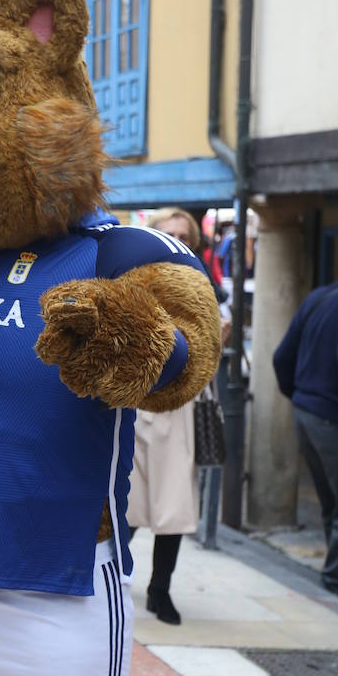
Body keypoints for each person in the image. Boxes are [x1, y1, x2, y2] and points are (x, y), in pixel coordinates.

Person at [126, 208, 208, 625]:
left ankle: (161, 589)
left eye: (184, 234)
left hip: (179, 406)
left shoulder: (202, 287)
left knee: (172, 504)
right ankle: (112, 572)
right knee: (126, 502)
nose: (179, 241)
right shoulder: (134, 280)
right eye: (170, 233)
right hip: (134, 405)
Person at [273, 275, 338, 597]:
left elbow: (281, 356)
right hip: (330, 414)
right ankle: (335, 580)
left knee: (332, 502)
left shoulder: (319, 297)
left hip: (306, 410)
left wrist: (300, 395)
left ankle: (335, 574)